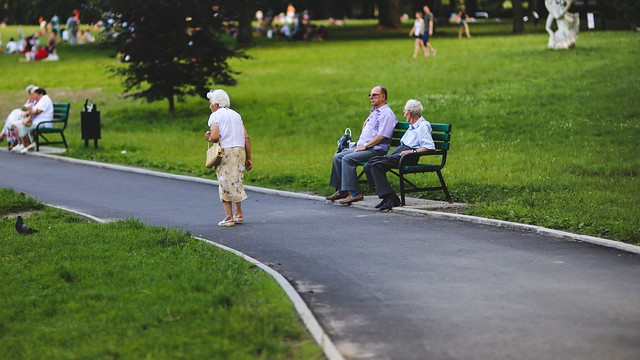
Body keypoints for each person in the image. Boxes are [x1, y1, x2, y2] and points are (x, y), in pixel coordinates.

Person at [327, 85, 398, 205]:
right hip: (364, 147)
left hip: (375, 150)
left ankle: (355, 193)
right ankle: (342, 190)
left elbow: (382, 136)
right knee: (338, 156)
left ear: (383, 97)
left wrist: (365, 146)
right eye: (370, 95)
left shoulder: (387, 114)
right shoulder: (375, 112)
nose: (371, 97)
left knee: (347, 159)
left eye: (374, 95)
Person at [364, 99, 435, 211]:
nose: (404, 114)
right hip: (401, 152)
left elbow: (429, 147)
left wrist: (411, 152)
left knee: (376, 165)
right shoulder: (412, 125)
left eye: (404, 111)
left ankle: (390, 197)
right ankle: (387, 196)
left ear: (409, 113)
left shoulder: (423, 125)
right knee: (369, 163)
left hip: (408, 156)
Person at [203, 89, 253, 227]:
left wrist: (208, 137)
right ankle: (238, 213)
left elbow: (215, 137)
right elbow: (246, 137)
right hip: (239, 151)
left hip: (226, 152)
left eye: (210, 103)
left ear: (216, 103)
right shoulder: (236, 115)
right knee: (236, 181)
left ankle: (228, 217)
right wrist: (249, 158)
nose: (209, 106)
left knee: (224, 182)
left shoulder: (215, 116)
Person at [16, 87, 53, 153]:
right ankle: (28, 145)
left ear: (40, 94)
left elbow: (38, 111)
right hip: (37, 122)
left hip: (43, 123)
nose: (33, 96)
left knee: (24, 126)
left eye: (34, 94)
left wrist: (28, 112)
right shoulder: (39, 101)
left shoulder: (45, 99)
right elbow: (32, 110)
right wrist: (28, 111)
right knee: (21, 125)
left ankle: (27, 146)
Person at [1, 85, 38, 149]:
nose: (30, 96)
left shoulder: (35, 101)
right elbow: (24, 108)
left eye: (31, 94)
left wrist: (26, 110)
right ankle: (5, 134)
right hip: (24, 116)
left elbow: (31, 110)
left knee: (13, 120)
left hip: (28, 118)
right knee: (12, 117)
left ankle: (4, 134)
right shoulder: (30, 100)